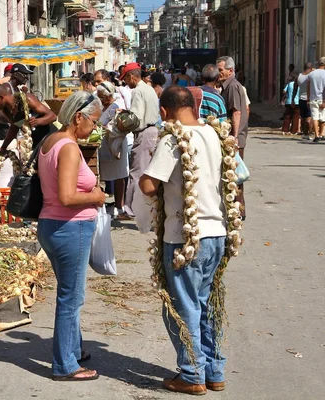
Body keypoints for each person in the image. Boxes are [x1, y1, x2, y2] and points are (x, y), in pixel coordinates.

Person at [139, 86, 228, 396]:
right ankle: (214, 370)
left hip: (185, 237)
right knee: (205, 304)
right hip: (216, 232)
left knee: (181, 306)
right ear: (195, 106)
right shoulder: (214, 134)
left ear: (164, 112)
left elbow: (149, 184)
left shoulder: (172, 138)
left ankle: (192, 374)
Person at [37, 91, 104, 381]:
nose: (95, 128)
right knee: (71, 297)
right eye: (94, 121)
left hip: (53, 226)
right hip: (69, 227)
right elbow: (66, 196)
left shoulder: (50, 141)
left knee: (69, 291)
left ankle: (73, 348)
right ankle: (65, 364)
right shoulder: (68, 147)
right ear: (78, 117)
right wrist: (97, 196)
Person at [120, 63, 161, 218]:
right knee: (147, 171)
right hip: (152, 131)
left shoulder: (138, 91)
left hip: (143, 133)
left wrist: (123, 121)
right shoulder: (149, 88)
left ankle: (129, 209)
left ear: (132, 76)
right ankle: (146, 207)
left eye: (126, 79)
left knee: (136, 172)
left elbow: (136, 117)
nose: (126, 83)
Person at [0, 83, 57, 154]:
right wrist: (4, 147)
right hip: (36, 142)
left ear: (1, 97)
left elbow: (53, 116)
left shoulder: (26, 99)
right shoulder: (6, 110)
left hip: (50, 138)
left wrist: (38, 121)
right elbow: (15, 127)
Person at [217, 56, 248, 220]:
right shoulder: (227, 86)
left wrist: (234, 137)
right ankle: (236, 209)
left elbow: (236, 112)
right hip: (233, 137)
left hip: (234, 138)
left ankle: (238, 210)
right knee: (232, 175)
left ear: (230, 70)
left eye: (221, 70)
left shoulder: (233, 87)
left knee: (235, 175)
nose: (218, 73)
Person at [96, 82, 129, 217]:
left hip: (116, 145)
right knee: (104, 175)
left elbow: (120, 127)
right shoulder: (103, 107)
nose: (101, 100)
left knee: (118, 175)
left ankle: (119, 206)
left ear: (109, 95)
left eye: (102, 97)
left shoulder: (117, 106)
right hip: (104, 144)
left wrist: (104, 127)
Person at [306, 57, 325, 142]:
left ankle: (316, 135)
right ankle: (322, 134)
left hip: (313, 99)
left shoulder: (311, 74)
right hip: (322, 99)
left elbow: (308, 88)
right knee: (323, 118)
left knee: (315, 118)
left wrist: (308, 99)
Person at [296, 62, 314, 139]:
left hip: (301, 99)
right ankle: (308, 133)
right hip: (308, 99)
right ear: (310, 68)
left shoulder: (299, 76)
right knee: (309, 117)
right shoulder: (310, 76)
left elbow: (295, 88)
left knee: (302, 117)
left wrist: (294, 99)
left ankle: (304, 132)